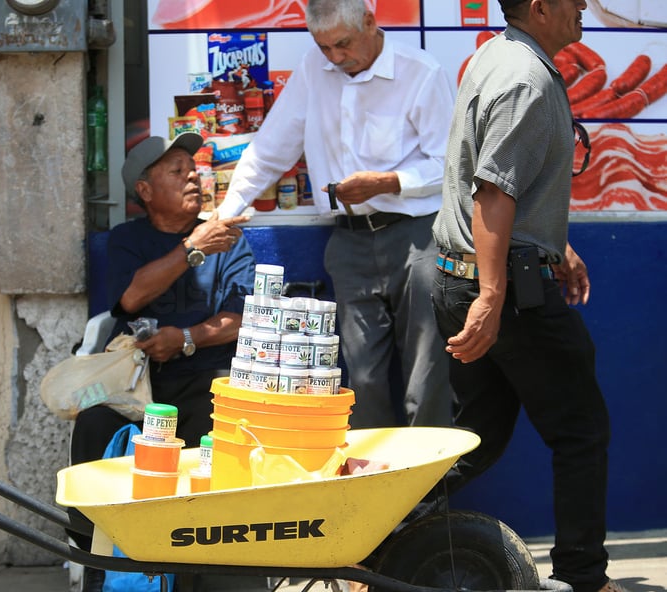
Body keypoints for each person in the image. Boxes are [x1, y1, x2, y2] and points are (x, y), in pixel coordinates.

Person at [430, 1, 624, 591]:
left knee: (476, 439)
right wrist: (492, 296)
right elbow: (492, 192)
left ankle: (374, 540)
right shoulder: (525, 79)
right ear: (540, 8)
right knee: (581, 430)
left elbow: (498, 180)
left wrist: (552, 244)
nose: (585, 5)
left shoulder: (499, 54)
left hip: (469, 273)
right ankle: (583, 580)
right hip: (506, 292)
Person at [216, 0, 455, 428]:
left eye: (342, 44)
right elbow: (271, 149)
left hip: (416, 236)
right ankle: (371, 488)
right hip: (348, 240)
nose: (335, 57)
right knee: (359, 378)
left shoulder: (421, 72)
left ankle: (428, 495)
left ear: (369, 22)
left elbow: (451, 164)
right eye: (323, 47)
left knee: (426, 374)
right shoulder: (314, 70)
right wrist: (225, 213)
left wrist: (389, 182)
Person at [68, 132, 255, 591]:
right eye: (177, 170)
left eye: (193, 168)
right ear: (145, 192)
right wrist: (192, 248)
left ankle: (212, 575)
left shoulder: (226, 236)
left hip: (205, 378)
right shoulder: (128, 240)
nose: (192, 175)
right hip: (137, 385)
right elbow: (131, 297)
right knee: (94, 424)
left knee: (221, 431)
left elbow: (240, 318)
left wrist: (186, 338)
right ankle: (98, 561)